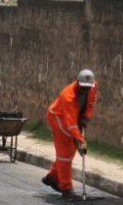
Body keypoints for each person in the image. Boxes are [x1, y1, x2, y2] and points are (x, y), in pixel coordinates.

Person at [42, 69, 98, 198]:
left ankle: (52, 177)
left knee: (68, 152)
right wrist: (81, 141)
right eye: (83, 88)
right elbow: (71, 124)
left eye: (88, 88)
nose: (86, 90)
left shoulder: (93, 86)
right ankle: (66, 188)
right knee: (66, 152)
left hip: (73, 118)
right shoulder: (68, 97)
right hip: (58, 117)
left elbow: (91, 102)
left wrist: (86, 117)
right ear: (78, 83)